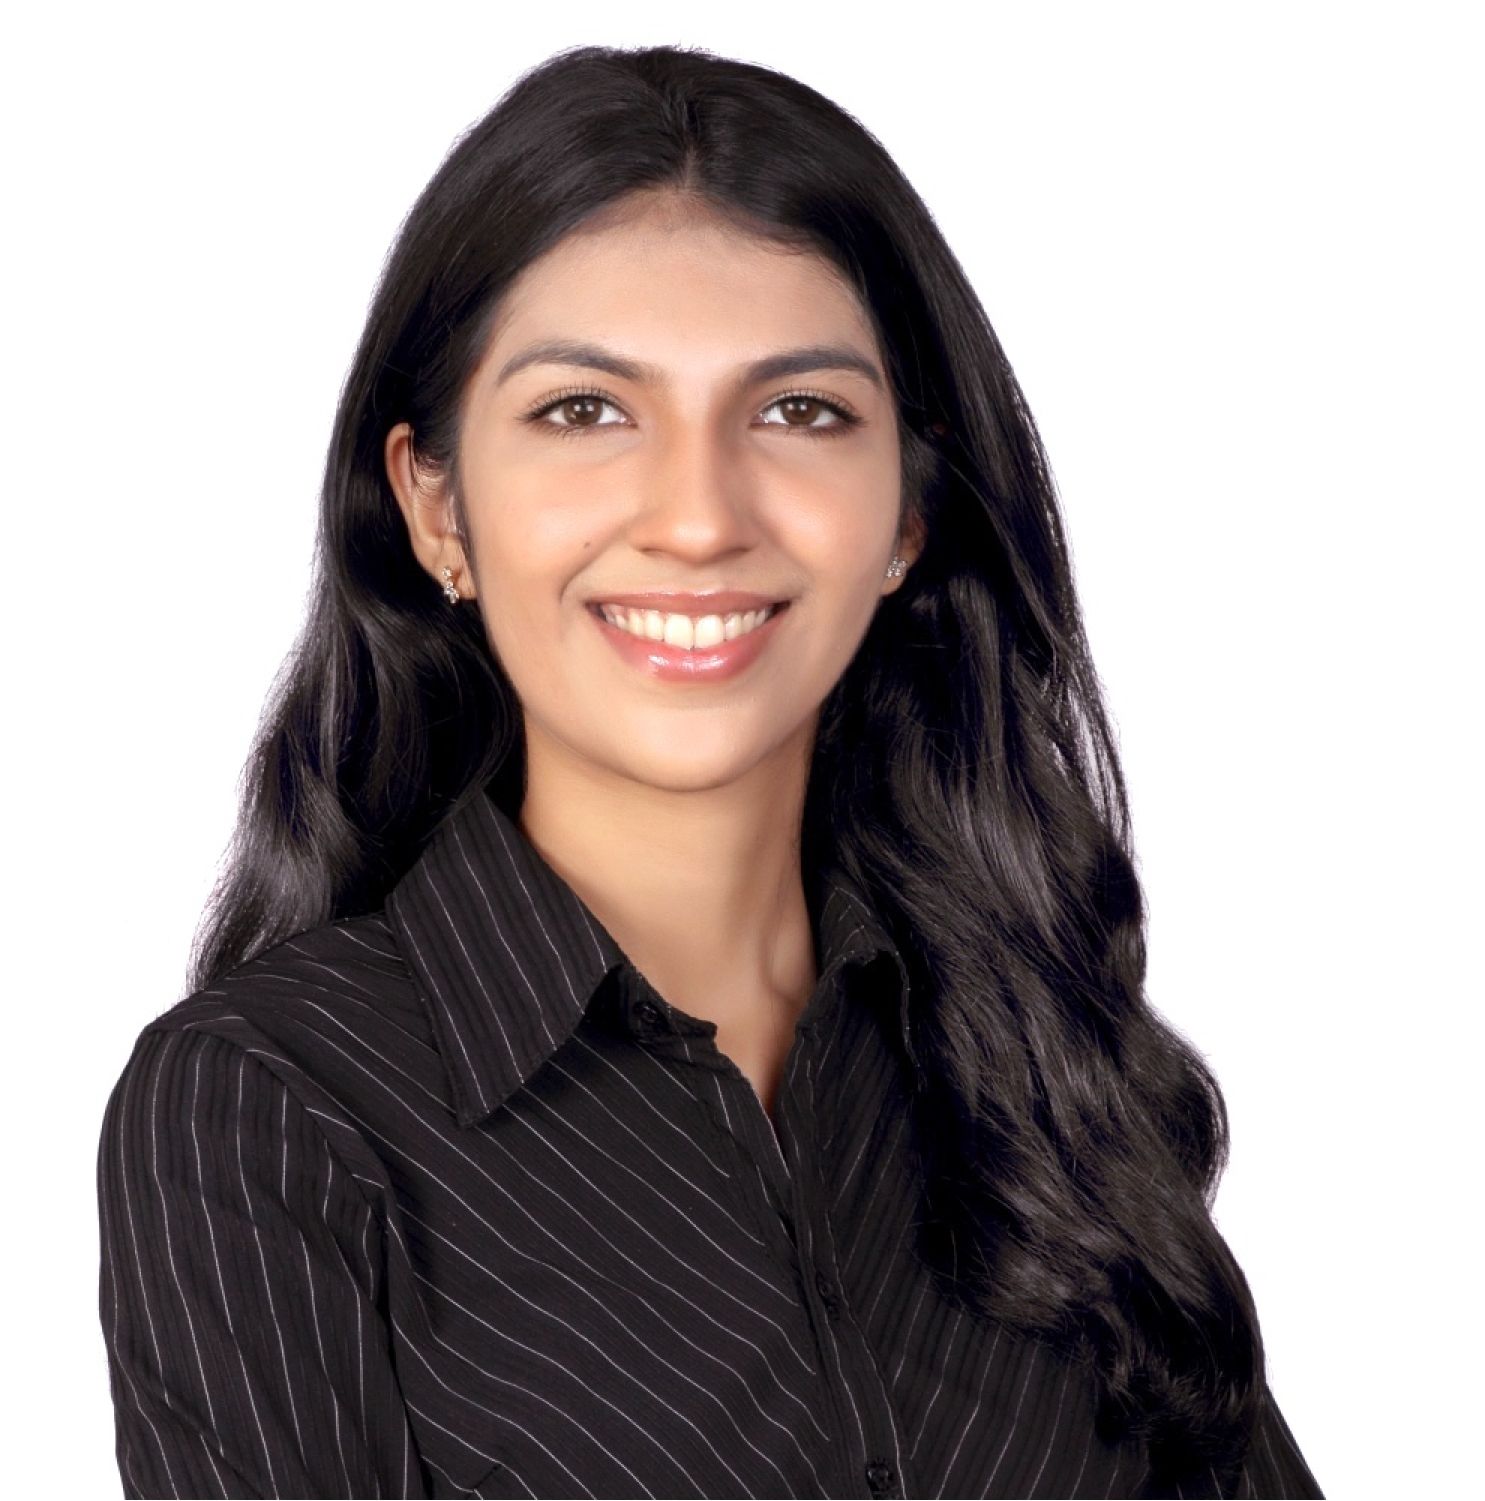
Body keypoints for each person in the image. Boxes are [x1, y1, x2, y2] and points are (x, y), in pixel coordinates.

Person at [95, 41, 1322, 1501]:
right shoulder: (269, 1106)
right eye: (584, 412)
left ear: (906, 513)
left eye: (798, 411)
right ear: (435, 505)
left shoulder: (1035, 1067)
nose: (696, 515)